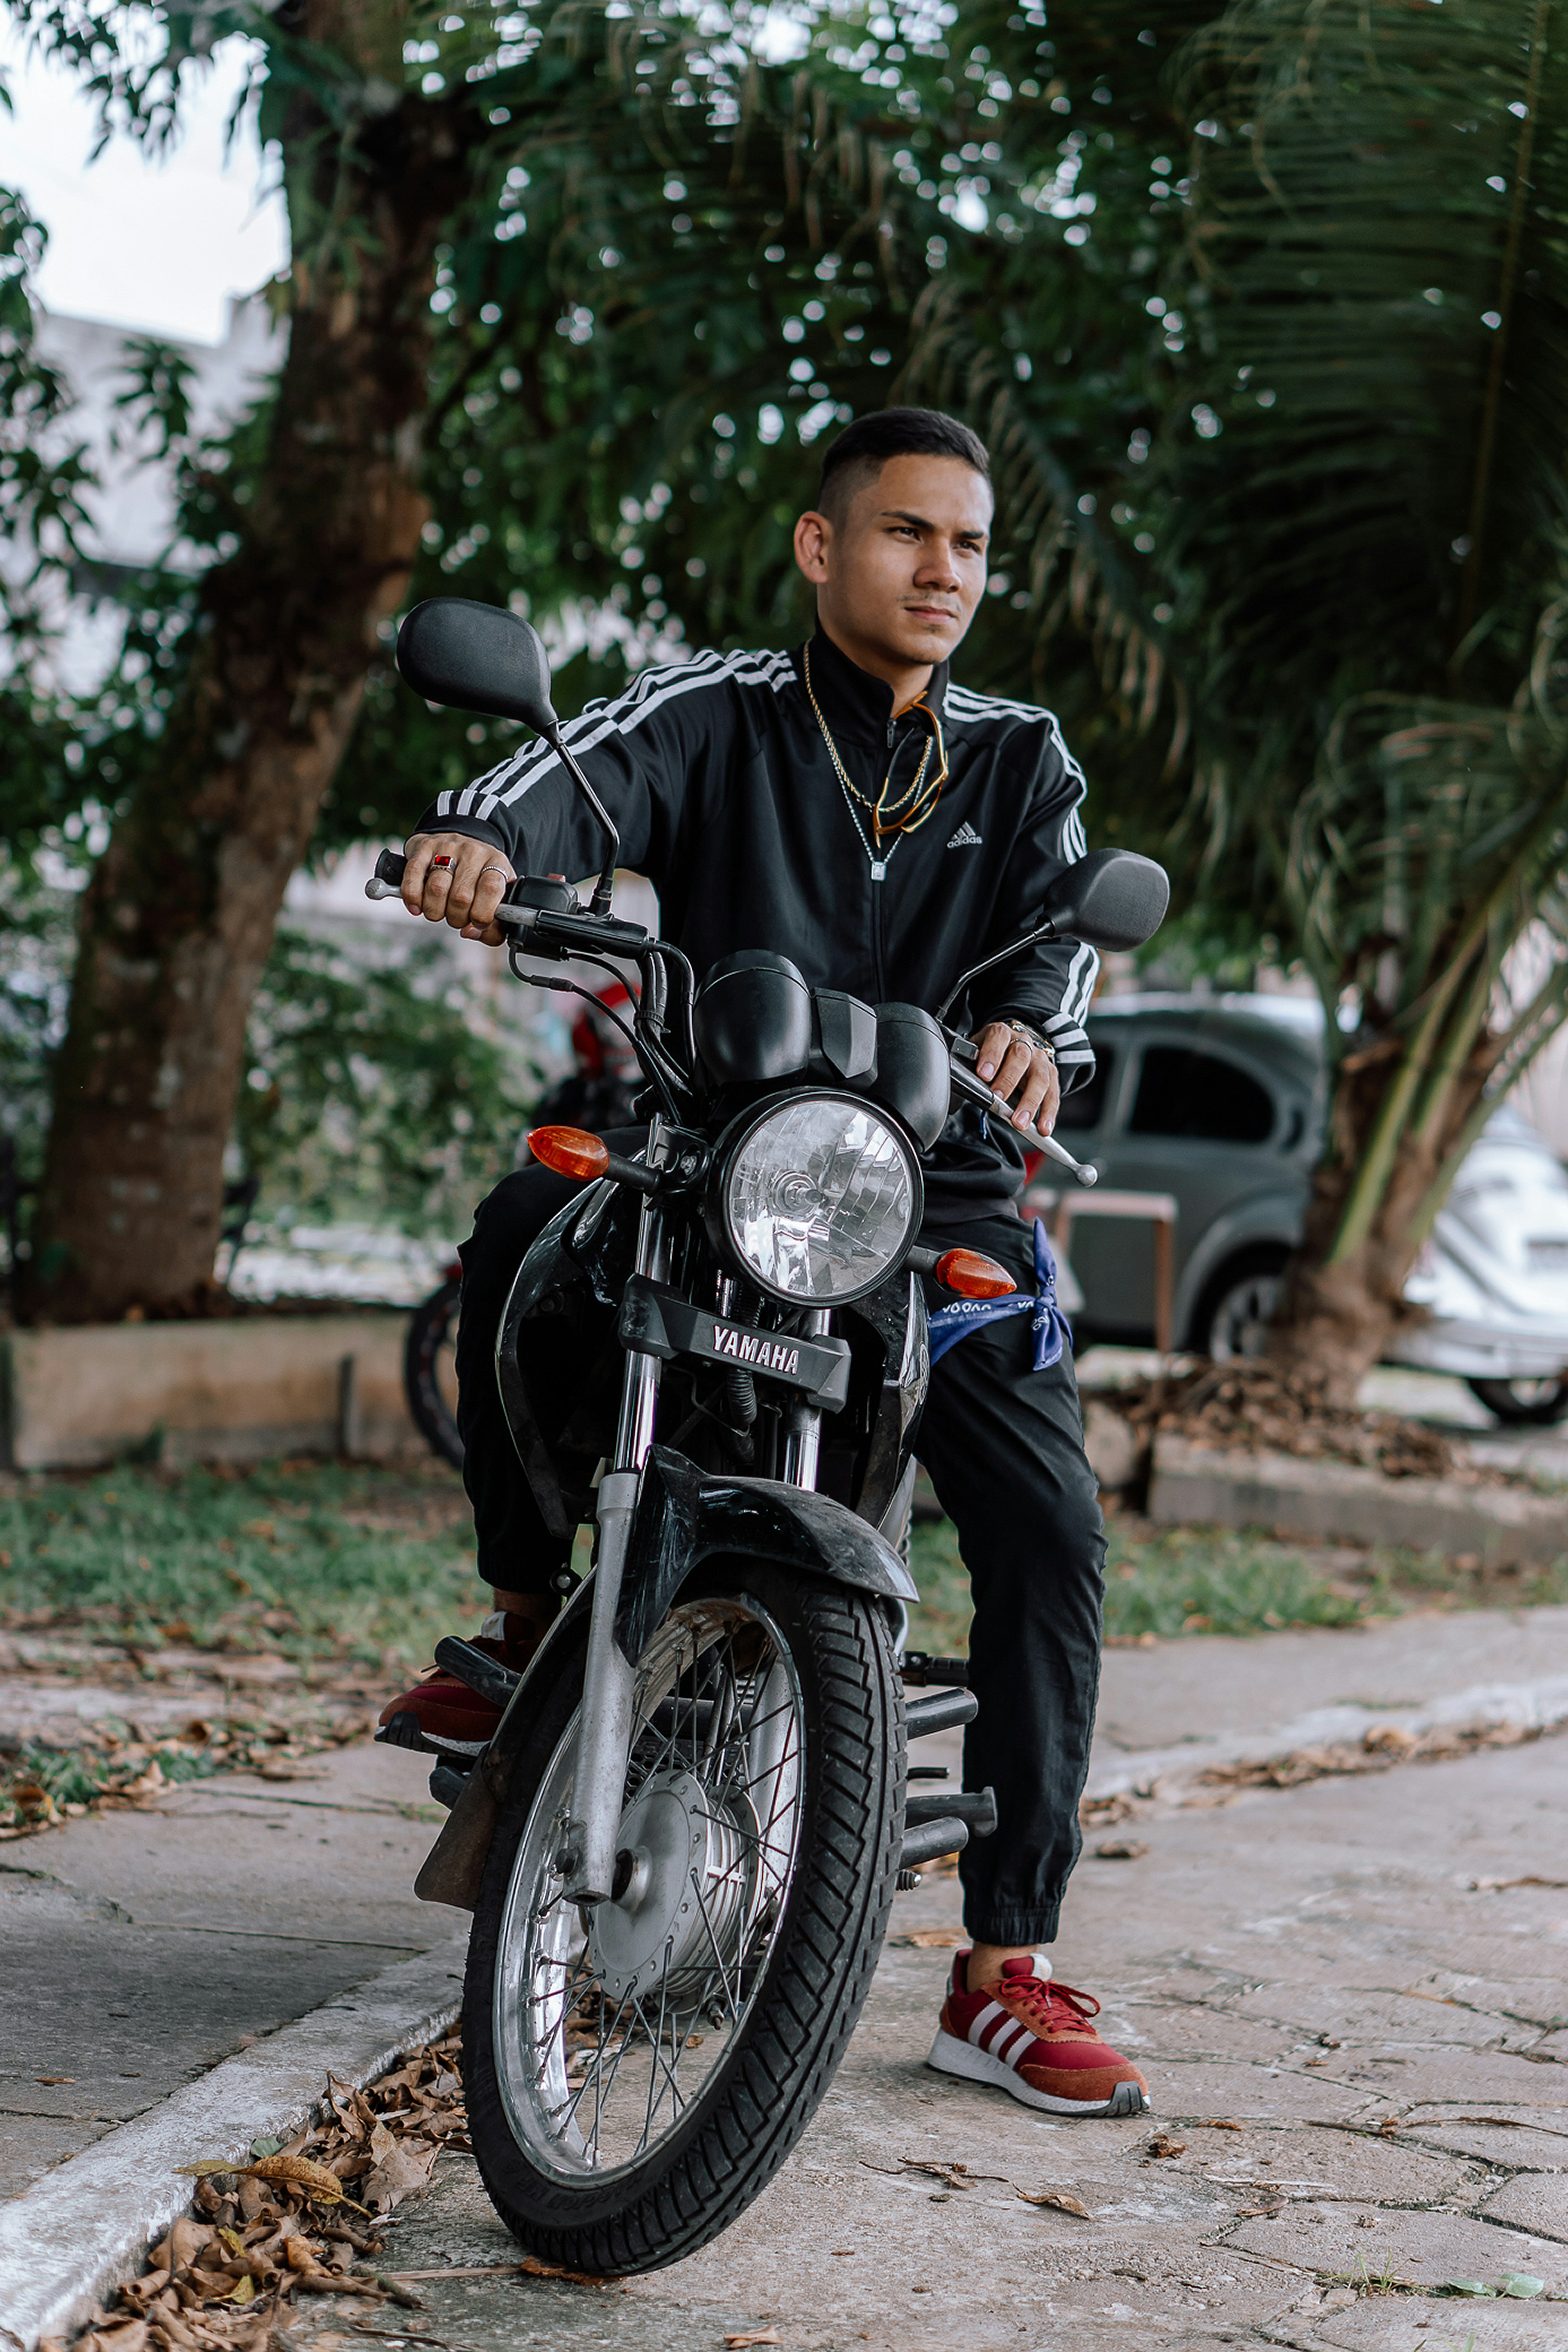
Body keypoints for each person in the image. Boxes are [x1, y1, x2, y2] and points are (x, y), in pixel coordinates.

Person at [380, 407, 1150, 2120]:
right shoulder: (716, 712)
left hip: (930, 1201)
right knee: (523, 1233)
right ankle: (523, 1616)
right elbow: (568, 783)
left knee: (1050, 1532)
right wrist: (488, 847)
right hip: (707, 1155)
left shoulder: (1022, 758)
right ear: (822, 550)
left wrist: (1033, 1037)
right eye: (902, 534)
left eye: (964, 544)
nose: (940, 569)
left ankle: (1003, 1965)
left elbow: (1058, 962)